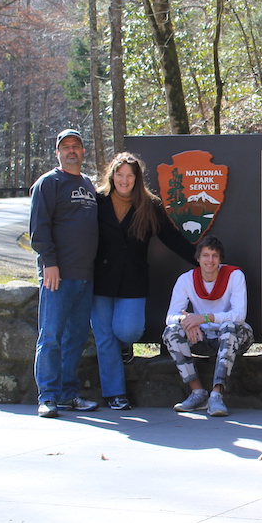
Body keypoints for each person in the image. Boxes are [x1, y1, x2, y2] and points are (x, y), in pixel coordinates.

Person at [91, 153, 197, 410]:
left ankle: (125, 346)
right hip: (100, 280)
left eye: (130, 175)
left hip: (133, 279)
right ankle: (115, 394)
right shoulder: (97, 201)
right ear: (112, 175)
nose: (124, 180)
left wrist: (202, 259)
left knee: (128, 331)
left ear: (137, 178)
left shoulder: (150, 205)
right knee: (104, 338)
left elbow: (171, 237)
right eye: (120, 174)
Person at [30, 129, 100, 418]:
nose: (71, 151)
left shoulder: (87, 184)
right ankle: (47, 396)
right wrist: (50, 263)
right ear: (57, 153)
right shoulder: (48, 183)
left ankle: (69, 394)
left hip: (86, 275)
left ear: (84, 152)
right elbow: (39, 228)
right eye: (66, 147)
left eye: (76, 146)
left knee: (75, 338)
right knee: (51, 337)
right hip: (57, 275)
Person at [162, 234, 253, 417]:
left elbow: (239, 315)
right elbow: (171, 316)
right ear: (198, 258)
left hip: (233, 337)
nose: (209, 260)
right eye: (205, 255)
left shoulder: (234, 276)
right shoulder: (186, 280)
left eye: (214, 256)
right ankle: (197, 393)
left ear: (220, 260)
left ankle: (216, 395)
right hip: (201, 337)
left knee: (229, 327)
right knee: (172, 332)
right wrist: (186, 322)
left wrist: (204, 318)